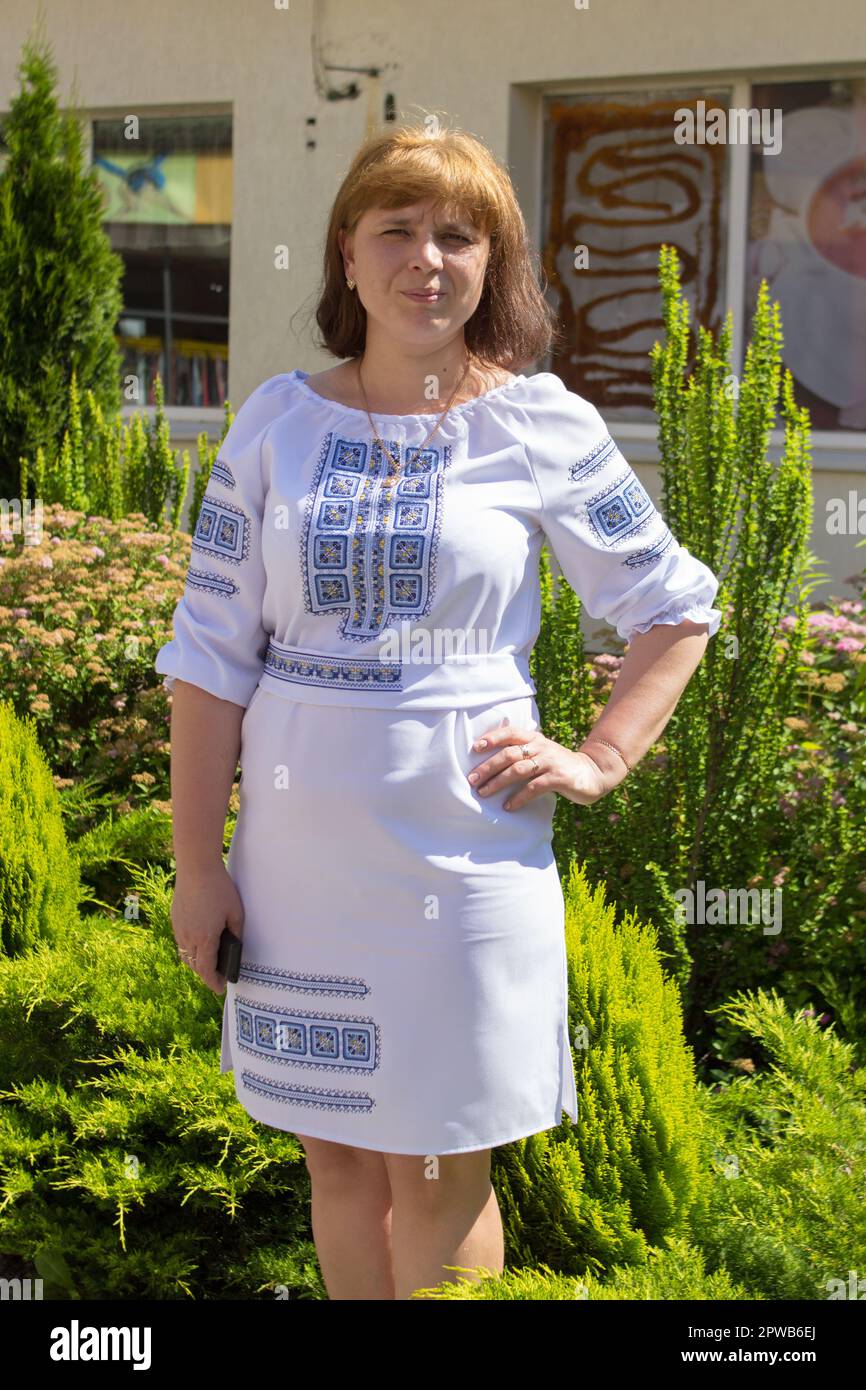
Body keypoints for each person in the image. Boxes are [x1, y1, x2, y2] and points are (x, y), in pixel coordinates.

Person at [155, 118, 721, 1301]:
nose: (427, 258)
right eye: (397, 230)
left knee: (441, 1167)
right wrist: (196, 865)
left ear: (492, 266)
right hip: (297, 866)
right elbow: (209, 654)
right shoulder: (273, 425)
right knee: (341, 1160)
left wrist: (601, 755)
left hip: (466, 860)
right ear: (346, 258)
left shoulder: (538, 425)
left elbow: (674, 607)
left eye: (459, 235)